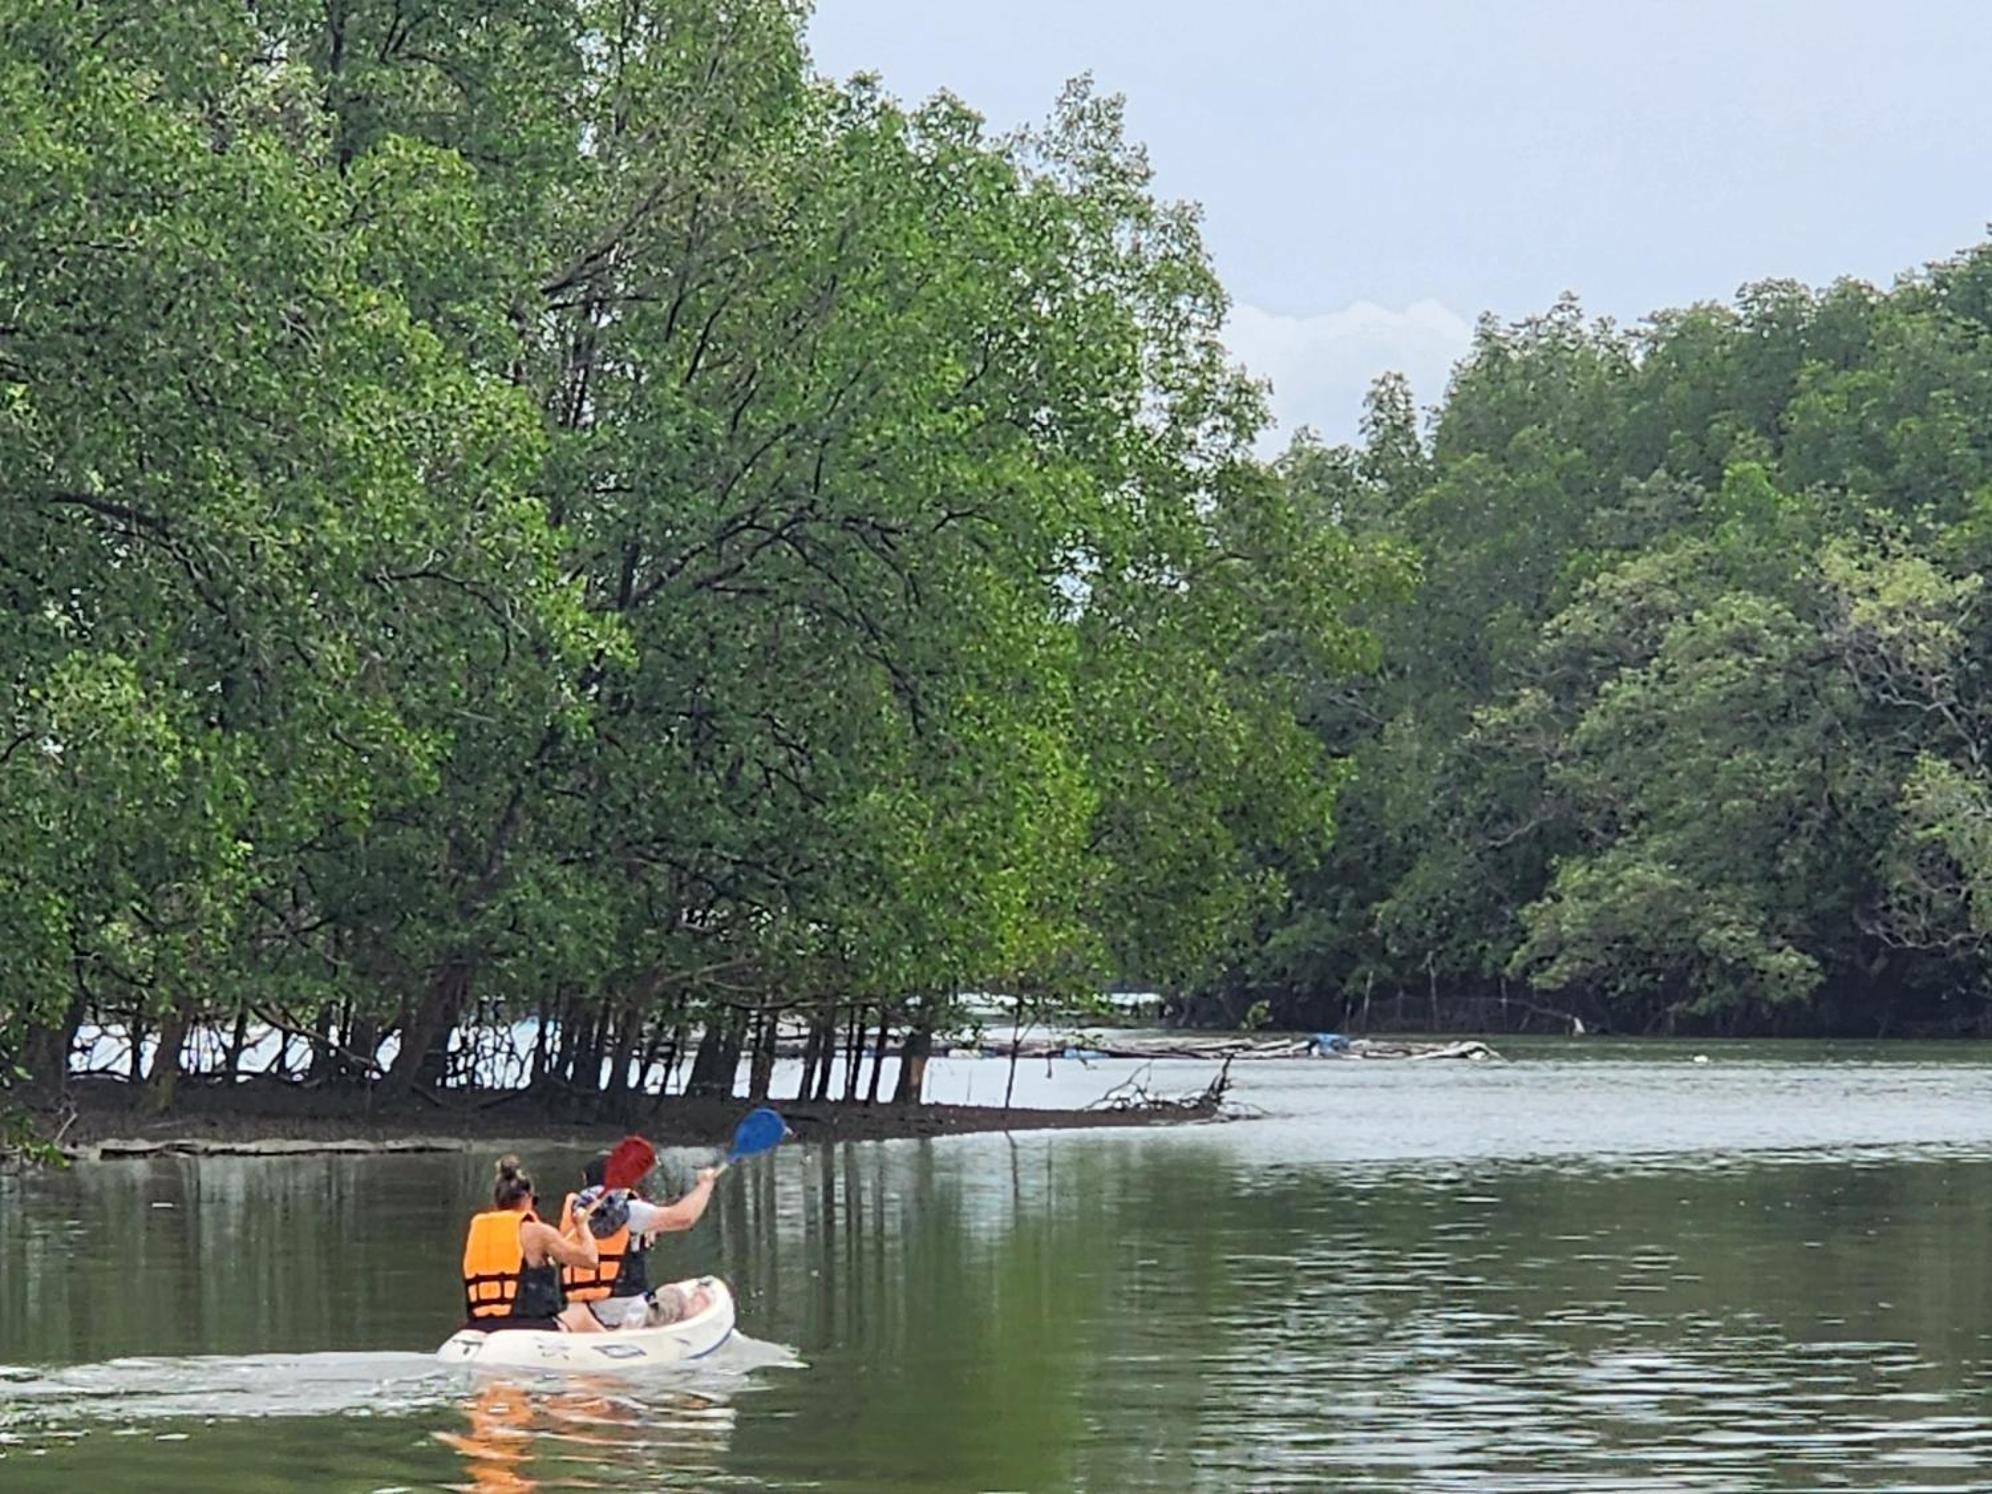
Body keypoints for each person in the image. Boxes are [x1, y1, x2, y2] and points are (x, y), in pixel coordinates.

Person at [556, 1153, 722, 1331]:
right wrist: (705, 1186)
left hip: (587, 1308)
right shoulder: (626, 1209)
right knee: (678, 1295)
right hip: (627, 1314)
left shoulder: (576, 1212)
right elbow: (683, 1218)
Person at [460, 1154, 603, 1330]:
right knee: (579, 1312)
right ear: (527, 1198)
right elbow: (590, 1260)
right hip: (527, 1325)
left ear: (498, 1201)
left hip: (479, 1325)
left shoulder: (477, 1229)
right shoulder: (538, 1232)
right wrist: (582, 1226)